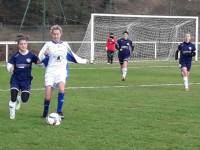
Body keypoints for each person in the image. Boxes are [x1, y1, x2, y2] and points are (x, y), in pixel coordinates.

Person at [39, 25, 88, 119]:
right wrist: (46, 55)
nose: (56, 36)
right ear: (51, 34)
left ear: (61, 34)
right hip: (50, 71)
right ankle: (45, 112)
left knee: (62, 89)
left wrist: (83, 61)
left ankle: (59, 111)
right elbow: (40, 58)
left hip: (61, 71)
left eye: (57, 34)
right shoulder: (47, 44)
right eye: (54, 34)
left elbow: (72, 56)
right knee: (48, 94)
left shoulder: (65, 44)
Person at [7, 34, 40, 119]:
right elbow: (9, 64)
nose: (23, 45)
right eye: (21, 44)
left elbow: (39, 63)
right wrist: (10, 68)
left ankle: (19, 99)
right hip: (16, 79)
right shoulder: (15, 55)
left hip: (26, 80)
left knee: (24, 99)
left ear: (27, 44)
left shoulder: (31, 55)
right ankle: (12, 113)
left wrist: (45, 59)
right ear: (18, 45)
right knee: (13, 95)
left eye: (25, 43)